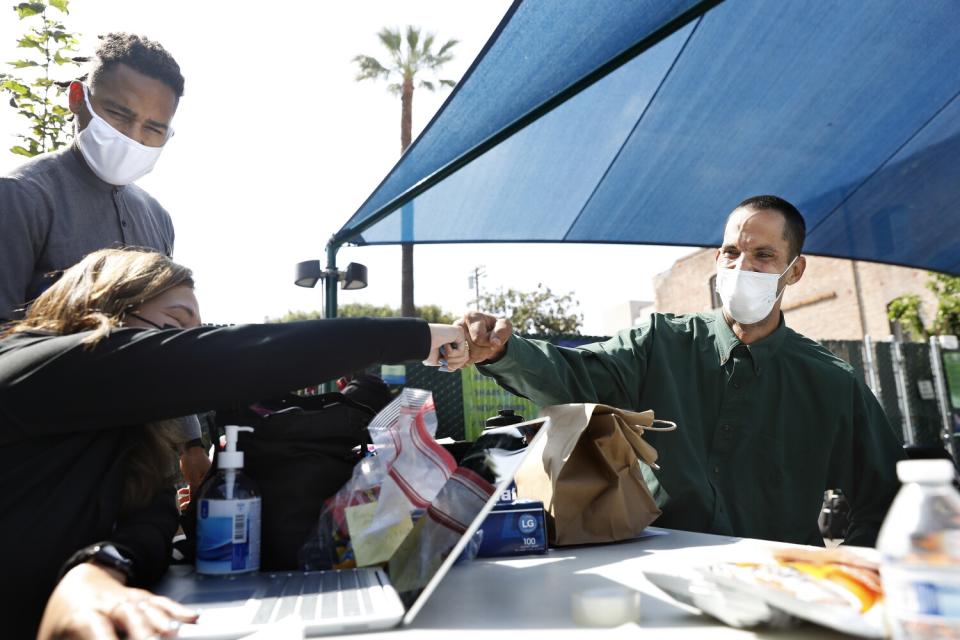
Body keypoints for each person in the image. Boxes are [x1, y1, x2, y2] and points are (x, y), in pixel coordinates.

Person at [0, 248, 467, 639]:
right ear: (103, 307)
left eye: (194, 334)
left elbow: (155, 515)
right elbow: (235, 358)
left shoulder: (130, 428)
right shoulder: (33, 366)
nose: (186, 345)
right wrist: (417, 336)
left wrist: (98, 567)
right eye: (175, 326)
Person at [454, 195, 903, 548]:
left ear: (794, 270)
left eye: (764, 255)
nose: (742, 267)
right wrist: (502, 350)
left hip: (779, 588)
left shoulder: (832, 383)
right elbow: (574, 375)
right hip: (660, 577)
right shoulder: (659, 343)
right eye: (731, 253)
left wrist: (838, 578)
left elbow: (886, 503)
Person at [0, 32, 183, 322]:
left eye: (153, 128)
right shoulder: (20, 197)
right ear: (77, 98)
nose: (132, 136)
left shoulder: (158, 219)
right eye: (118, 114)